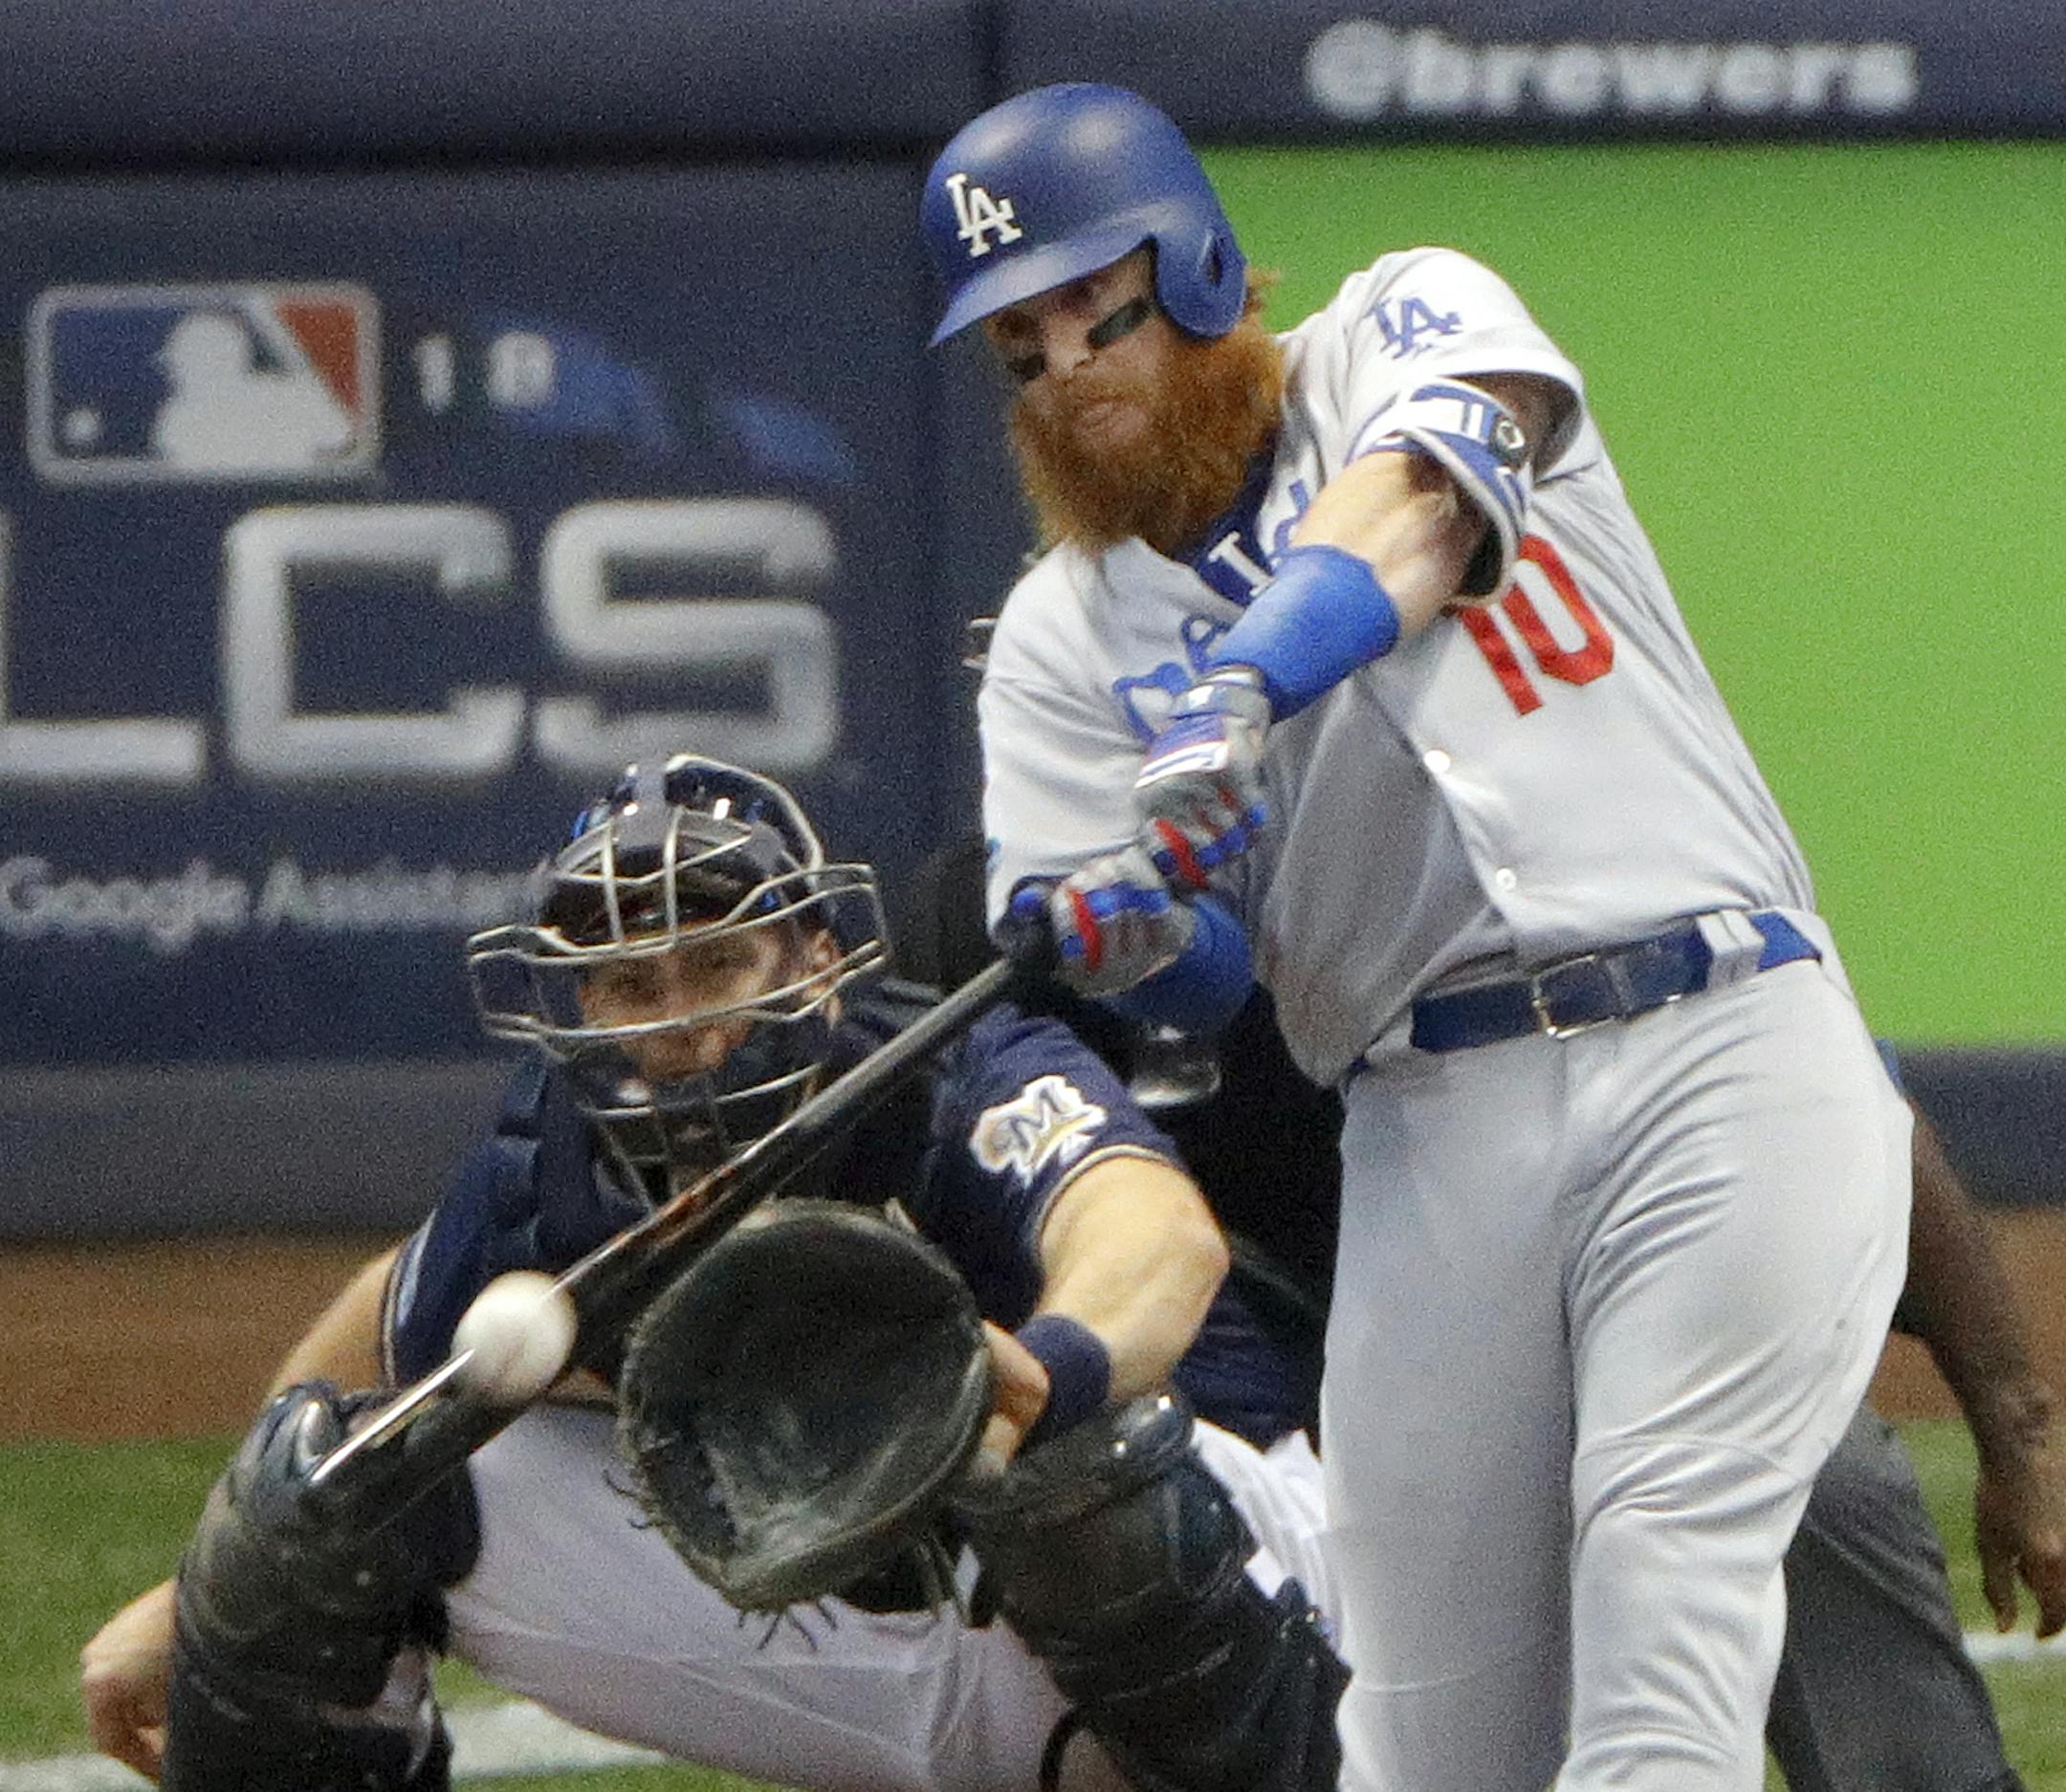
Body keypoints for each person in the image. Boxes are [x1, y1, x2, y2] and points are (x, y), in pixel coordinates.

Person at [924, 82, 1915, 1792]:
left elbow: (1425, 510)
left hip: (1717, 1036)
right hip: (1429, 1122)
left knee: (1661, 1621)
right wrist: (1132, 931)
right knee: (1421, 1741)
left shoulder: (1406, 316)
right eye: (1022, 345)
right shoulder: (1060, 641)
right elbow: (1215, 991)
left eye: (1105, 306)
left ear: (1210, 268)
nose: (1071, 367)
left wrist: (1246, 683)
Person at [80, 753, 1346, 1792]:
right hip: (871, 1637)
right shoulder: (557, 1166)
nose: (674, 1018)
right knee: (320, 1500)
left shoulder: (951, 1069)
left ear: (812, 958)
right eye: (630, 979)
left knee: (1086, 1474)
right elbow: (396, 1324)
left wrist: (1048, 1369)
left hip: (1231, 1581)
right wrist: (199, 1591)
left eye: (716, 963)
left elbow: (1149, 1232)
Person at [917, 831, 2066, 1792]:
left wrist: (2021, 1427)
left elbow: (1833, 1113)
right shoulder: (990, 920)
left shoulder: (1462, 857)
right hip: (1209, 1398)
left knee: (1813, 1465)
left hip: (1574, 1309)